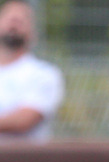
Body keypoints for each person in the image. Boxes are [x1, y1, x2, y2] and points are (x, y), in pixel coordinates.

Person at [0, 0, 63, 141]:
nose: (14, 23)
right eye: (9, 18)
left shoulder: (44, 74)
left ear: (33, 33)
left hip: (22, 161)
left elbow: (24, 120)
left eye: (21, 20)